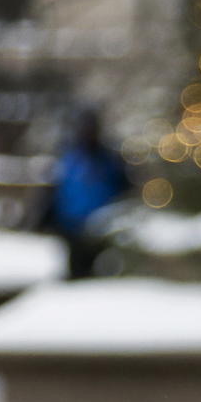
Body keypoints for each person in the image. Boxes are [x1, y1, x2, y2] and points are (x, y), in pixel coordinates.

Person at [45, 106, 131, 280]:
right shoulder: (68, 158)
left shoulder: (110, 159)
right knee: (77, 276)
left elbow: (124, 189)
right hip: (72, 228)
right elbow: (54, 190)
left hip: (102, 230)